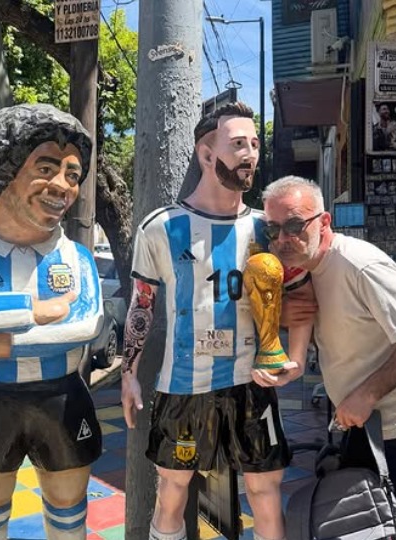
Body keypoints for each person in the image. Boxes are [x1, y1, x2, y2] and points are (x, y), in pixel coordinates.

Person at [121, 102, 307, 540]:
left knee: (265, 491)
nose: (250, 154)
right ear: (206, 155)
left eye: (255, 144)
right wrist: (128, 373)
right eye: (238, 144)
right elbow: (142, 304)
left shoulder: (266, 229)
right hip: (184, 385)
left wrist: (296, 360)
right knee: (172, 492)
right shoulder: (161, 227)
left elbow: (301, 296)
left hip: (252, 382)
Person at [0, 103, 103, 540]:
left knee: (69, 510)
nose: (62, 186)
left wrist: (2, 344)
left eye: (72, 174)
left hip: (63, 398)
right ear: (1, 168)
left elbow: (85, 324)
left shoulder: (77, 257)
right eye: (46, 168)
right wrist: (36, 309)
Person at [263, 175, 396, 540]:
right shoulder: (305, 269)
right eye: (274, 229)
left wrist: (367, 394)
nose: (283, 238)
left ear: (324, 222)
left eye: (295, 225)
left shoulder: (359, 265)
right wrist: (283, 314)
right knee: (368, 527)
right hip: (358, 426)